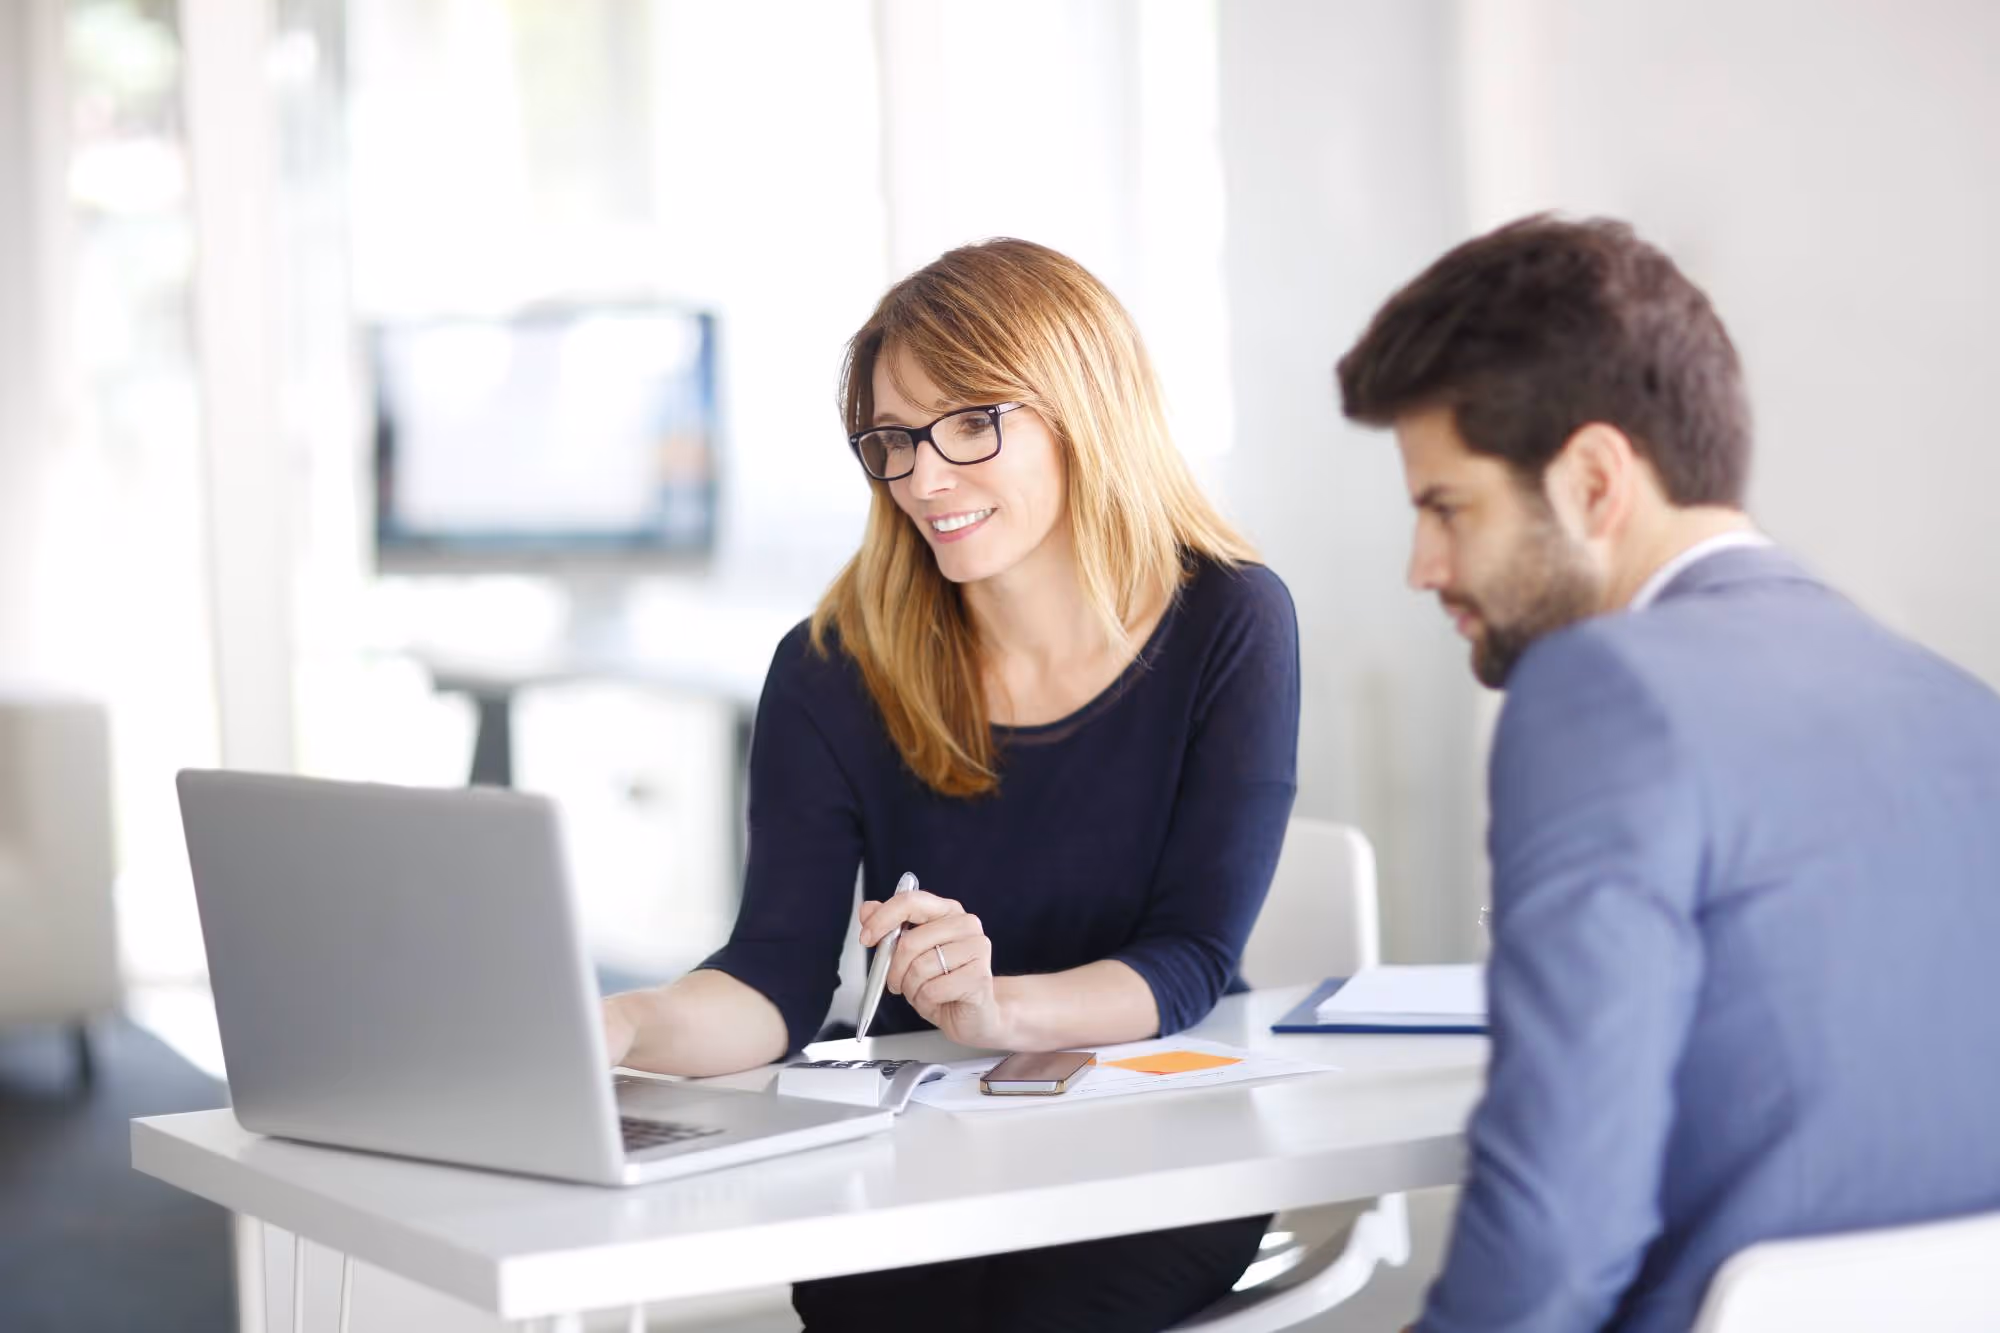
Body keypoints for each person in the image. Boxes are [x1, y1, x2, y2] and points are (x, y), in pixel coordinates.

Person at [603, 237, 1301, 1332]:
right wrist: (625, 1023)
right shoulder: (833, 664)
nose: (924, 477)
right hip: (922, 1147)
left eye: (970, 423)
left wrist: (995, 1008)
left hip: (1159, 1133)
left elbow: (1191, 956)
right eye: (892, 439)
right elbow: (775, 974)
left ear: (1083, 408)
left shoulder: (1227, 618)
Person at [1336, 214, 2000, 1333]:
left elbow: (1550, 1246)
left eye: (1446, 507)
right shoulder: (1957, 703)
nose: (1422, 567)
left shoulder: (1598, 690)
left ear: (1594, 480)